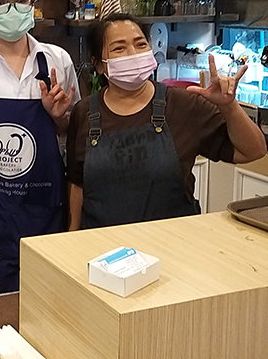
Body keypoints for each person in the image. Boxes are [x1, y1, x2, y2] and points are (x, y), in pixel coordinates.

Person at [67, 13, 267, 230]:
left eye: (140, 44)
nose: (133, 53)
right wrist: (70, 238)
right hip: (100, 249)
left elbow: (253, 151)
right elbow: (77, 185)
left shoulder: (184, 105)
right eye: (119, 48)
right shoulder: (84, 112)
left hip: (174, 246)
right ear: (98, 65)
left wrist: (229, 106)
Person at [0, 0, 78, 293]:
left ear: (33, 4)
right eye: (0, 2)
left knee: (49, 302)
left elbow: (73, 135)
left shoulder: (58, 61)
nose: (11, 9)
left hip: (45, 208)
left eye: (20, 0)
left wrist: (58, 116)